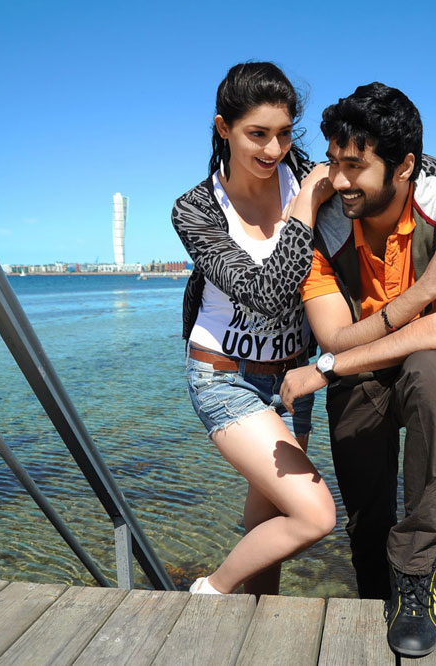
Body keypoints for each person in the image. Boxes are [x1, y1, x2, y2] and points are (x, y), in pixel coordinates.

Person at [280, 82, 436, 657]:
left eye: (356, 166)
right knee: (366, 523)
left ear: (404, 167)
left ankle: (417, 576)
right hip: (357, 377)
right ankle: (375, 587)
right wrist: (424, 290)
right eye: (334, 163)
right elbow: (332, 337)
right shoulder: (327, 227)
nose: (340, 180)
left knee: (433, 368)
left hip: (418, 369)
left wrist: (327, 367)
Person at [171, 62, 336, 597]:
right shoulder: (196, 209)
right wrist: (305, 206)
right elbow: (266, 294)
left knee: (274, 520)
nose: (274, 149)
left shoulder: (302, 169)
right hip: (224, 377)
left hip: (292, 379)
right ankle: (211, 592)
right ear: (224, 128)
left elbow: (378, 163)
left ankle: (258, 618)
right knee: (314, 514)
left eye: (284, 134)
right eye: (257, 134)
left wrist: (413, 161)